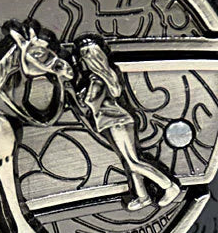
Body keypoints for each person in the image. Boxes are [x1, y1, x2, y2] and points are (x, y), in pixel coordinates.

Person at [75, 39, 180, 210]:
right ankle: (143, 196)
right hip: (114, 122)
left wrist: (81, 94)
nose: (82, 59)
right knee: (128, 161)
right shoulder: (105, 76)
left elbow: (91, 102)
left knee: (133, 162)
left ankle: (169, 186)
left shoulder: (96, 79)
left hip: (116, 122)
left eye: (85, 55)